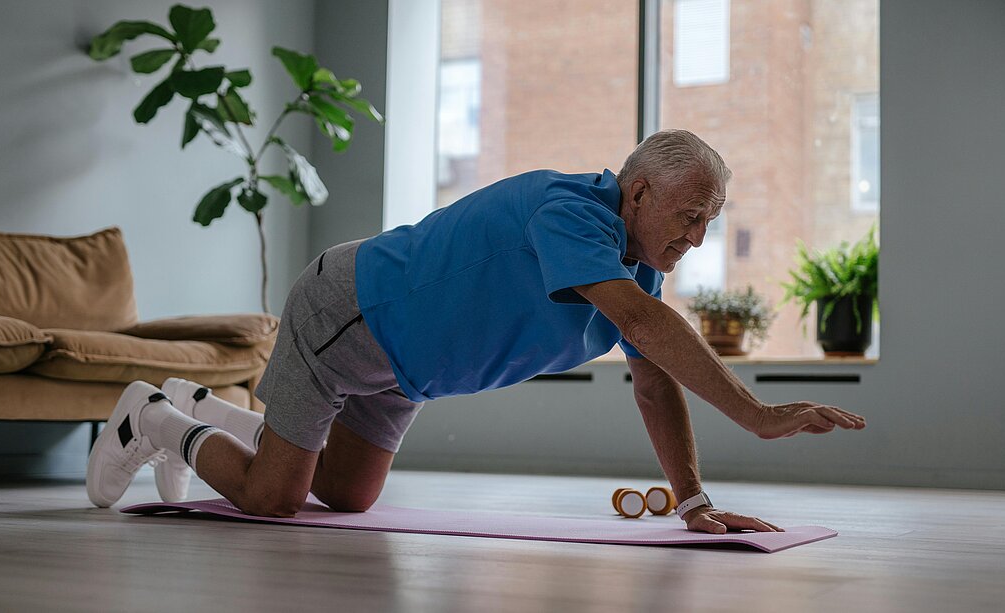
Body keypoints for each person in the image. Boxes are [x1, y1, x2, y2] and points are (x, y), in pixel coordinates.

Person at [87, 129, 866, 534]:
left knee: (348, 496)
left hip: (402, 370)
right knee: (273, 498)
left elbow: (654, 380)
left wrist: (693, 500)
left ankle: (200, 406)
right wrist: (758, 414)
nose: (696, 237)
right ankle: (150, 417)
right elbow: (641, 324)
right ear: (638, 192)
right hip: (351, 311)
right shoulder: (572, 211)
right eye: (690, 216)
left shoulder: (638, 270)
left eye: (708, 223)